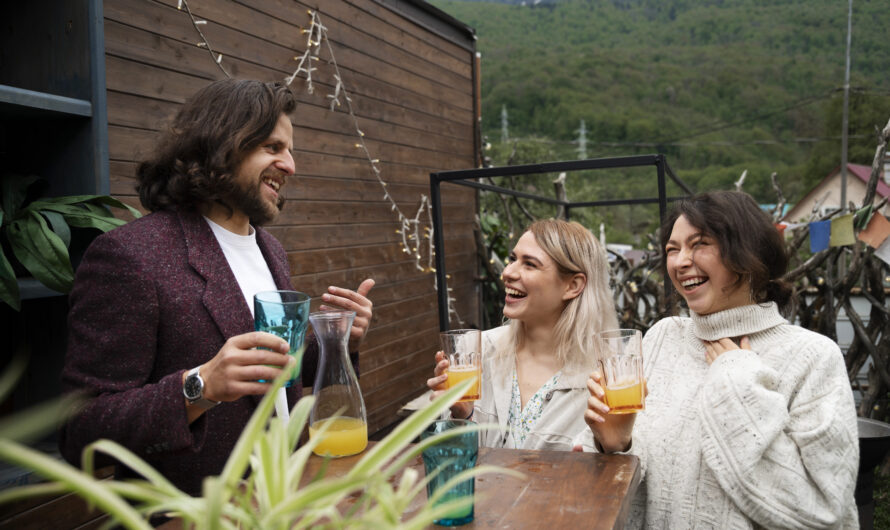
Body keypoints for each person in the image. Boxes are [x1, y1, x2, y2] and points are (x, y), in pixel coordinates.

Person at [59, 79, 374, 495]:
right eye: (273, 148)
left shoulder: (271, 250)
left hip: (286, 504)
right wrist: (199, 387)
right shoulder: (130, 255)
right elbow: (80, 432)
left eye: (291, 151)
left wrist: (336, 337)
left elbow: (274, 377)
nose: (290, 166)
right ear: (223, 144)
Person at [582, 190, 859, 528]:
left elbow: (825, 511)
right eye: (672, 249)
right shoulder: (661, 338)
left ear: (748, 253)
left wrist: (737, 382)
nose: (681, 261)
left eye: (700, 244)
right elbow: (611, 487)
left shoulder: (812, 357)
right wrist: (614, 446)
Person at [427, 219, 618, 450]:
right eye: (512, 259)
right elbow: (452, 460)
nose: (507, 272)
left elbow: (617, 470)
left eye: (529, 264)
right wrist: (461, 416)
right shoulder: (481, 351)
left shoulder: (605, 375)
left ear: (573, 285)